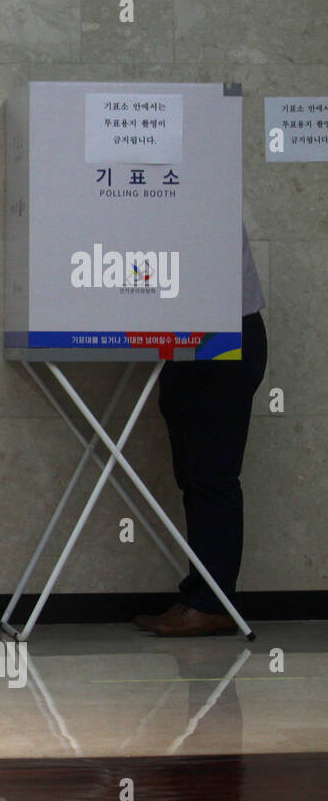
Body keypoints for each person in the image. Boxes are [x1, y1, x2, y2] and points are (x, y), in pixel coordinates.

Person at [134, 226, 268, 637]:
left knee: (212, 474)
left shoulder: (207, 188)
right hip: (193, 331)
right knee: (194, 475)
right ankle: (200, 593)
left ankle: (213, 603)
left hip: (225, 330)